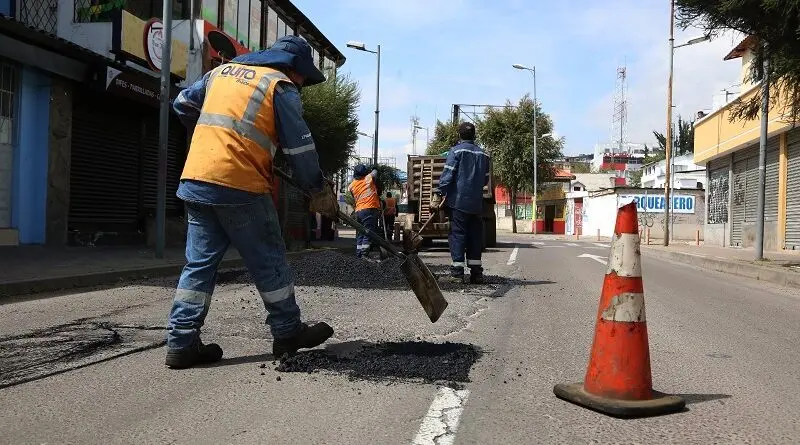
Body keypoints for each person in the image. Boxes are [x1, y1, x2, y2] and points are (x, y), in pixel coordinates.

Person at [165, 35, 340, 369]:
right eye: (303, 75)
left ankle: (181, 341)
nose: (302, 83)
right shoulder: (279, 85)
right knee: (269, 259)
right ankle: (288, 331)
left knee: (199, 265)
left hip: (197, 178)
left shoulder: (221, 73)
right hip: (238, 183)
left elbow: (183, 105)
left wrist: (217, 138)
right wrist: (317, 187)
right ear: (293, 67)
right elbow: (300, 149)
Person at [431, 122, 490, 284]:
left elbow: (448, 174)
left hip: (458, 203)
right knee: (474, 237)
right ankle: (476, 273)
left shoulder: (456, 151)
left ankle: (457, 273)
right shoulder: (484, 155)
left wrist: (440, 192)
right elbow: (485, 179)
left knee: (457, 235)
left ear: (459, 135)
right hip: (476, 204)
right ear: (474, 135)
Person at [348, 164, 380, 258]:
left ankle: (359, 255)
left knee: (360, 233)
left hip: (358, 212)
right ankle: (364, 255)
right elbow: (375, 173)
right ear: (365, 173)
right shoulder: (368, 179)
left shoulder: (352, 185)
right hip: (369, 209)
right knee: (368, 232)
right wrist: (375, 168)